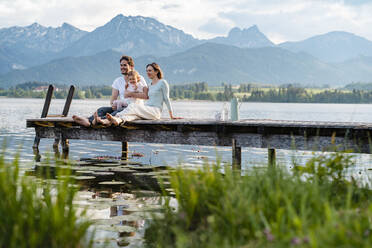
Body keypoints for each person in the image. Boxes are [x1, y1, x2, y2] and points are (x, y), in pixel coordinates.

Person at [95, 62, 181, 126]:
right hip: (146, 109)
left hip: (155, 111)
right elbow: (146, 97)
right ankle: (116, 120)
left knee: (132, 106)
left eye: (150, 70)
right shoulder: (150, 85)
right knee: (132, 116)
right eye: (147, 71)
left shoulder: (163, 82)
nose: (148, 72)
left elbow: (166, 99)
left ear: (156, 71)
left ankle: (110, 119)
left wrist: (171, 115)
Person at [72, 55, 148, 127]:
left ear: (131, 66)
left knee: (117, 112)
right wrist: (113, 105)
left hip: (133, 108)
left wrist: (130, 94)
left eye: (125, 65)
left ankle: (98, 120)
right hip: (121, 105)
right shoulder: (118, 81)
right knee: (102, 109)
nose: (122, 67)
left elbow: (146, 95)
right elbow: (113, 98)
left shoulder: (139, 78)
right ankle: (88, 121)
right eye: (121, 65)